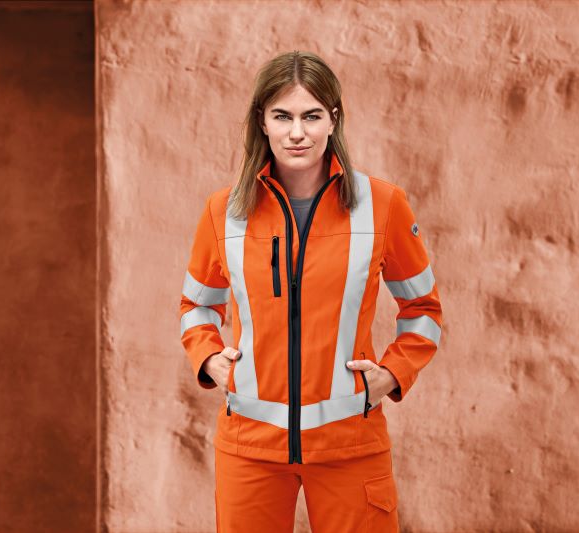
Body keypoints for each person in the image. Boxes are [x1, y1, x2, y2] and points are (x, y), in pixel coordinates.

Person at [178, 50, 443, 533]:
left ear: (333, 119)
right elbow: (197, 305)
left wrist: (393, 374)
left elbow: (423, 309)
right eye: (282, 116)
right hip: (250, 448)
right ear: (261, 121)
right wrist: (208, 357)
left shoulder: (382, 205)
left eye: (311, 116)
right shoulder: (223, 212)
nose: (297, 132)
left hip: (350, 444)